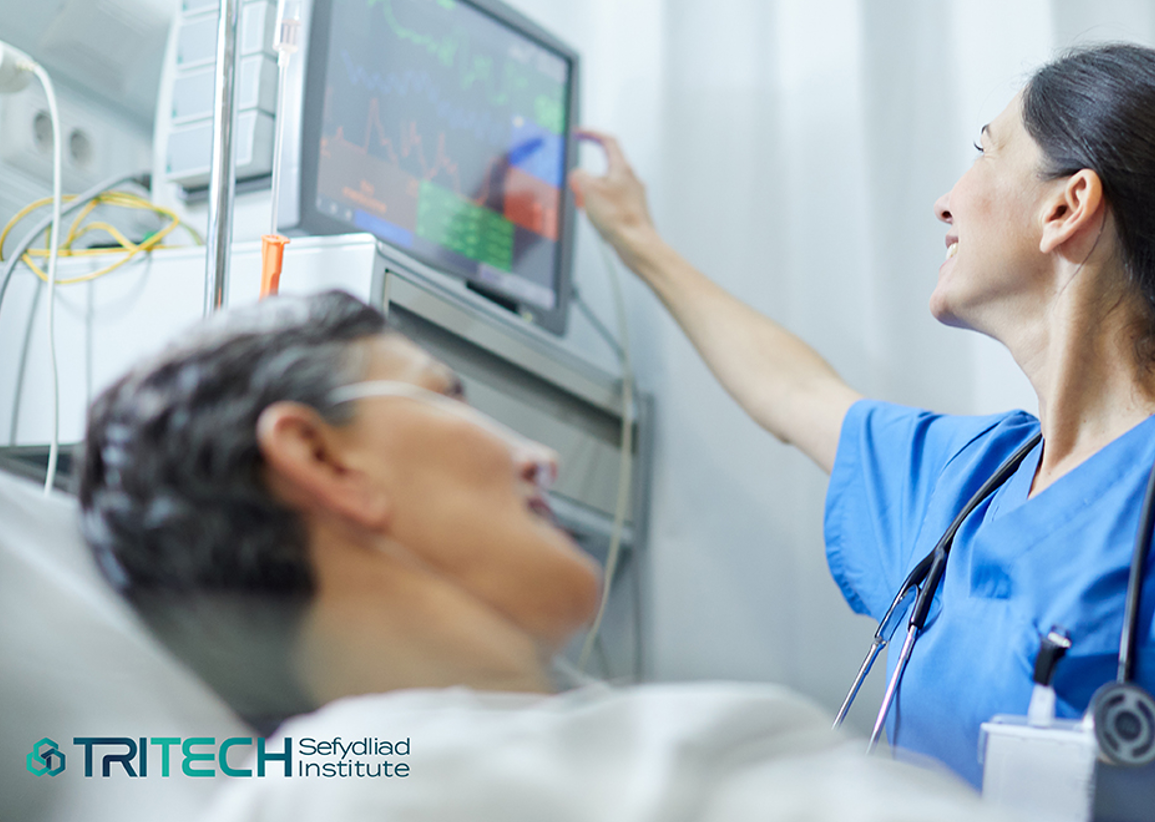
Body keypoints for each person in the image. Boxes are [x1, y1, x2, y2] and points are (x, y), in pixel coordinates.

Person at [567, 43, 1155, 821]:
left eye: (983, 151)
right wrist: (637, 238)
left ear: (1067, 206)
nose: (945, 201)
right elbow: (792, 389)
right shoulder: (964, 480)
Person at [76, 292, 1012, 822]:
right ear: (323, 458)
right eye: (446, 396)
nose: (539, 455)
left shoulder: (543, 749)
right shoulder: (363, 787)